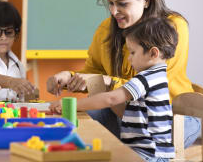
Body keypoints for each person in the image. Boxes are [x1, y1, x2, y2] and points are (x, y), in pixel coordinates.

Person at [46, 0, 200, 148]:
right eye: (110, 3)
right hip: (125, 113)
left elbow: (149, 89)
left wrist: (105, 81)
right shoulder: (106, 29)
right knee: (73, 127)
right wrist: (70, 77)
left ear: (146, 0)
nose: (113, 11)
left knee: (141, 146)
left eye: (122, 4)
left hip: (171, 117)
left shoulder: (172, 28)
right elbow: (93, 71)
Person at [50, 17, 177, 161]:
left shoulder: (145, 79)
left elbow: (110, 99)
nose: (129, 59)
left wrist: (72, 105)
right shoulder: (158, 77)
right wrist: (103, 92)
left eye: (133, 53)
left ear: (153, 53)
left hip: (148, 154)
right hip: (151, 152)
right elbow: (124, 112)